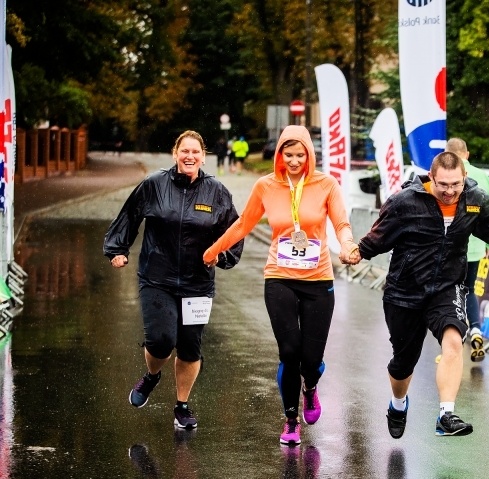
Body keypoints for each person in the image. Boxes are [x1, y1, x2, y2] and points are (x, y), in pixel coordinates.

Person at [352, 151, 489, 439]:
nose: (450, 192)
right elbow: (380, 234)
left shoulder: (474, 199)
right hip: (405, 291)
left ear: (465, 177)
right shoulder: (405, 202)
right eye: (443, 185)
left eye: (456, 185)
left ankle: (446, 415)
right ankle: (398, 403)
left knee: (453, 340)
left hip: (447, 286)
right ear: (431, 178)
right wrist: (359, 252)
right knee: (403, 363)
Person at [202, 125, 359, 446]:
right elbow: (243, 224)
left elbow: (341, 223)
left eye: (300, 155)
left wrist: (347, 244)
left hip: (318, 279)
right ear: (279, 155)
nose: (295, 161)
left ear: (309, 155)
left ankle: (310, 388)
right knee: (289, 352)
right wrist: (214, 249)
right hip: (279, 277)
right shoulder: (266, 185)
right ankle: (290, 420)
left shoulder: (326, 184)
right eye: (289, 155)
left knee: (311, 361)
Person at [104, 130, 244, 430]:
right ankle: (152, 376)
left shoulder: (216, 192)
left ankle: (181, 406)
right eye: (185, 151)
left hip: (197, 284)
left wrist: (222, 256)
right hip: (157, 277)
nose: (190, 156)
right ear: (175, 153)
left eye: (195, 152)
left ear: (203, 156)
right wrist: (117, 249)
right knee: (161, 340)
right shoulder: (155, 184)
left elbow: (234, 230)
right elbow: (130, 214)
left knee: (190, 347)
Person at [444, 137, 489, 362]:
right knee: (469, 289)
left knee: (449, 293)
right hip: (475, 245)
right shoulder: (483, 177)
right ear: (467, 154)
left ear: (447, 155)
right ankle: (475, 329)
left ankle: (451, 344)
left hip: (450, 245)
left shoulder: (445, 175)